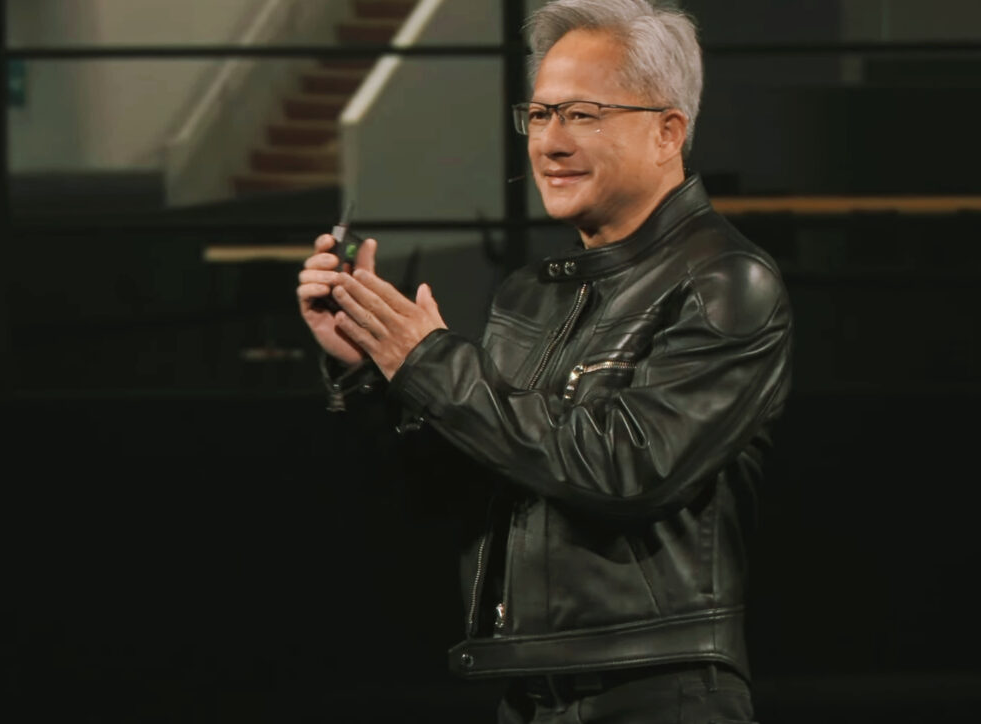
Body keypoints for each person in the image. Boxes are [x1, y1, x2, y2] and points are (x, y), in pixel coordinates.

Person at [296, 0, 793, 721]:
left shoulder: (727, 283)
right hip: (528, 697)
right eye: (538, 115)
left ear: (667, 132)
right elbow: (452, 495)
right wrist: (368, 368)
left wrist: (431, 364)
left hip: (659, 694)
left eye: (582, 115)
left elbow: (626, 470)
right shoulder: (530, 296)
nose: (550, 143)